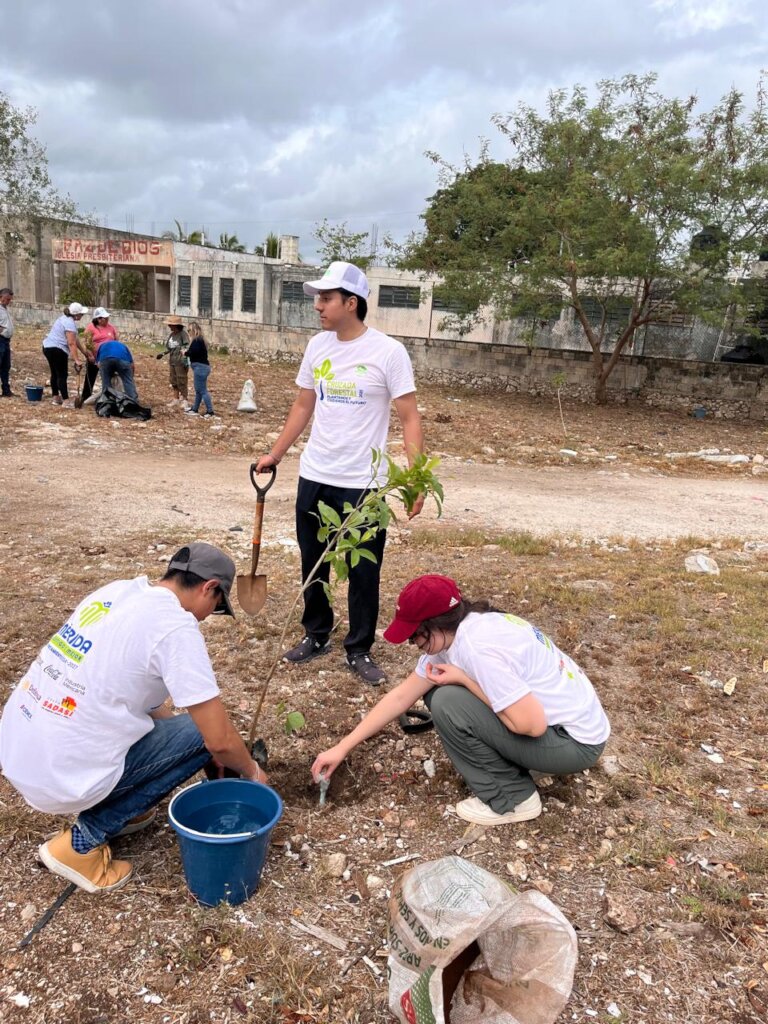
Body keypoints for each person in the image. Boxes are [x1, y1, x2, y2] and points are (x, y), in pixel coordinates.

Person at [0, 542, 267, 893]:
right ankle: (80, 844)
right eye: (216, 607)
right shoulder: (175, 627)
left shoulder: (117, 592)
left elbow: (142, 696)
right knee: (201, 733)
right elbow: (216, 739)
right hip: (60, 772)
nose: (205, 617)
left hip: (20, 750)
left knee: (185, 732)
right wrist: (251, 771)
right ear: (210, 587)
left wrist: (164, 756)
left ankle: (124, 804)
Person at [312, 574, 611, 826]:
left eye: (415, 635)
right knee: (436, 689)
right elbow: (403, 695)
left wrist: (465, 680)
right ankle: (521, 766)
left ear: (436, 623)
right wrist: (341, 747)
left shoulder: (477, 648)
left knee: (448, 702)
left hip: (575, 744)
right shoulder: (462, 629)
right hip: (571, 726)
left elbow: (531, 725)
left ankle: (512, 799)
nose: (413, 643)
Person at [255, 262, 424, 686]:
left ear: (352, 303)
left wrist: (416, 478)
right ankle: (316, 633)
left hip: (362, 483)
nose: (318, 306)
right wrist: (276, 453)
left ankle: (360, 646)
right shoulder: (318, 346)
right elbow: (303, 405)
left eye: (327, 298)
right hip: (316, 473)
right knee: (313, 560)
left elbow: (409, 416)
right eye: (318, 297)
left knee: (364, 568)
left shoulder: (388, 352)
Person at [42, 302, 88, 406]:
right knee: (62, 375)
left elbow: (75, 339)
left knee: (55, 373)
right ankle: (66, 400)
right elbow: (71, 343)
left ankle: (56, 397)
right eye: (81, 314)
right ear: (76, 314)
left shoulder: (63, 319)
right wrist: (76, 359)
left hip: (47, 347)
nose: (82, 316)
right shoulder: (70, 323)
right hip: (57, 349)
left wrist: (84, 352)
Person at [79, 307, 119, 404]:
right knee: (90, 377)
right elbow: (87, 343)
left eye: (107, 317)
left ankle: (109, 397)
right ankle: (86, 397)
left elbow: (116, 341)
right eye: (104, 318)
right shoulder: (90, 327)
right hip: (94, 356)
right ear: (98, 319)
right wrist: (90, 355)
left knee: (109, 378)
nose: (107, 319)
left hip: (108, 358)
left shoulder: (111, 328)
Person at [185, 321, 215, 416]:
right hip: (201, 367)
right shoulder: (199, 340)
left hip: (200, 368)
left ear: (193, 330)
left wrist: (185, 353)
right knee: (198, 389)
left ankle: (210, 411)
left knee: (202, 390)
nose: (188, 332)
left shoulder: (197, 340)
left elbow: (194, 352)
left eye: (189, 330)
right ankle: (195, 409)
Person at [164, 316, 189, 405]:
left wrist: (185, 360)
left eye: (170, 325)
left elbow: (186, 346)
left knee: (181, 380)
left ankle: (185, 399)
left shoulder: (183, 334)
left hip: (180, 361)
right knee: (173, 380)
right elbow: (169, 348)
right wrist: (163, 353)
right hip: (172, 361)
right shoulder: (172, 335)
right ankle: (175, 398)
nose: (169, 326)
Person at [0, 287, 15, 397]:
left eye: (10, 299)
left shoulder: (5, 309)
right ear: (1, 297)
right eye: (7, 299)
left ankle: (6, 390)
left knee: (6, 366)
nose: (9, 301)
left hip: (6, 341)